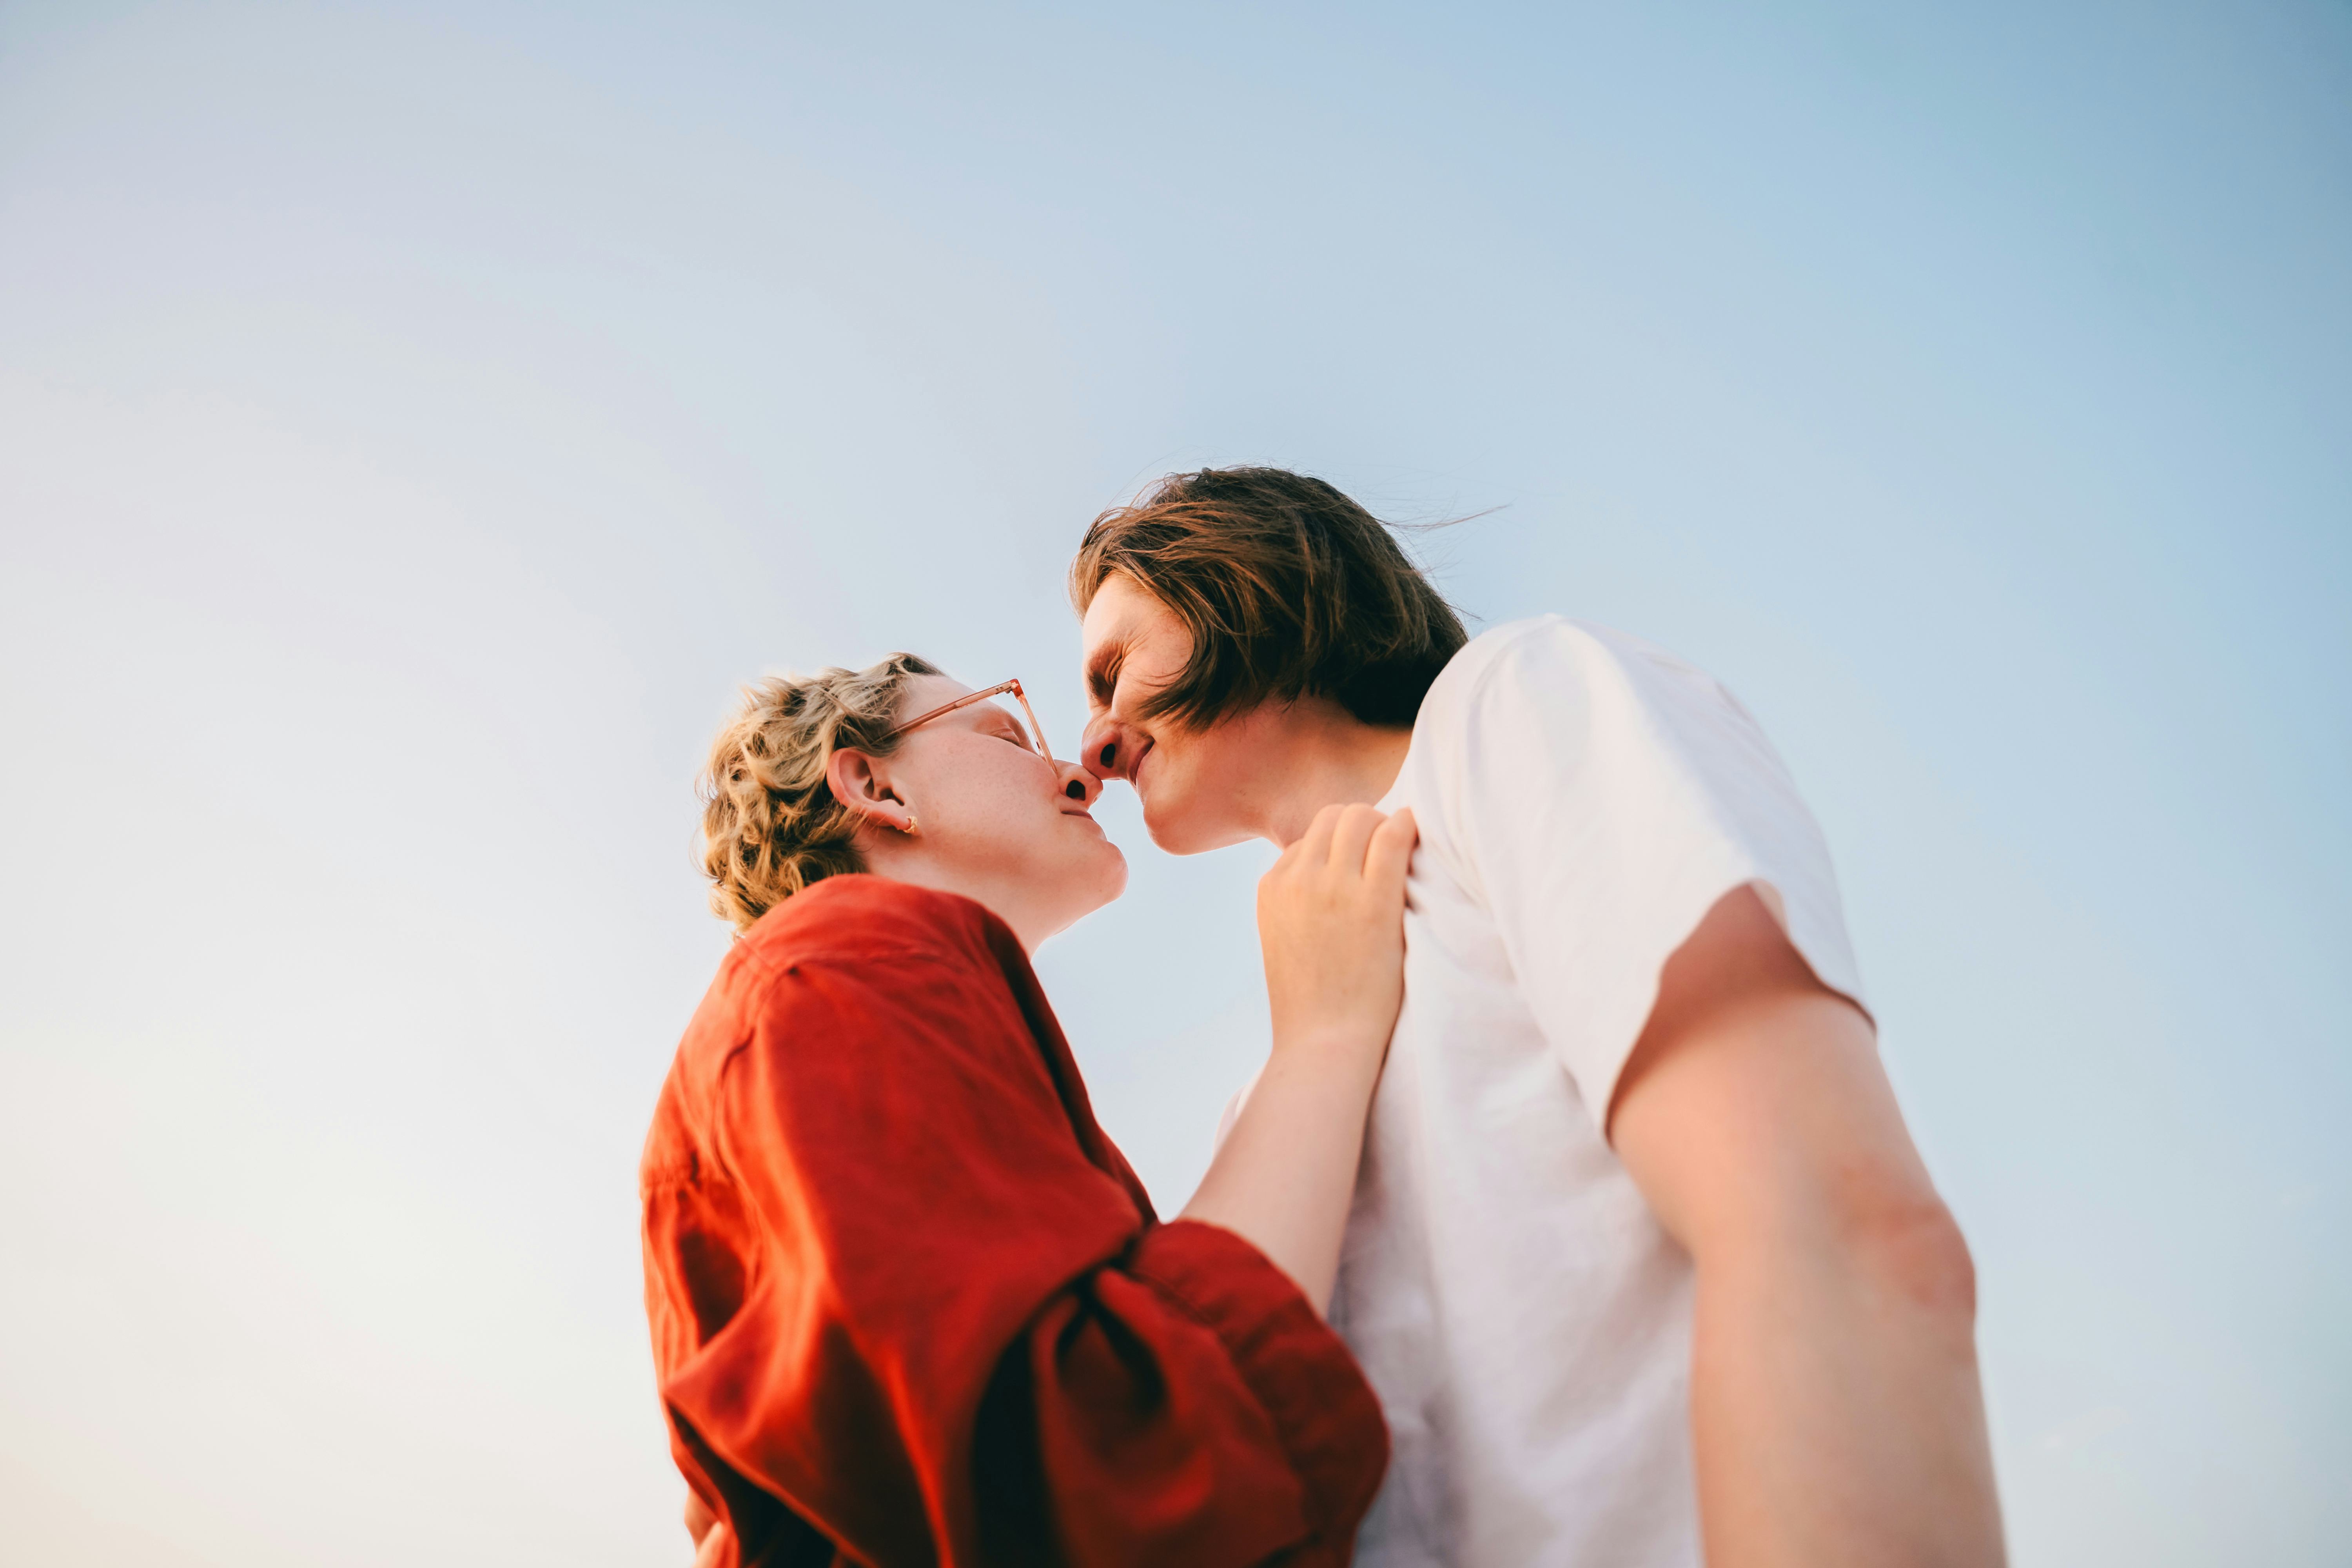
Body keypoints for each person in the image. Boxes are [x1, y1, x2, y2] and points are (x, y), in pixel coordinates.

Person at [1072, 468, 2006, 1568]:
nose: (1092, 745)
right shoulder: (1276, 1099)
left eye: (1113, 671)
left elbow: (1831, 1227)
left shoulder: (1515, 707)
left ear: (1237, 580)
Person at [641, 652, 1417, 1568]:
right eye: (1008, 734)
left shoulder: (848, 1005)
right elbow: (1110, 1467)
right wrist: (1323, 1033)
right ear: (875, 786)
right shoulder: (833, 965)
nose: (1081, 775)